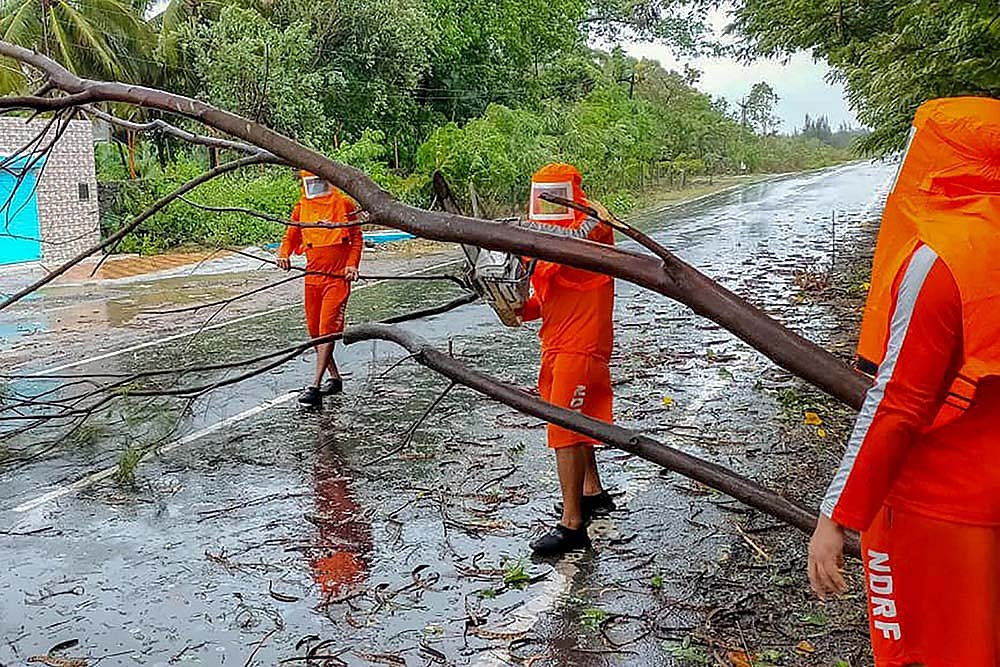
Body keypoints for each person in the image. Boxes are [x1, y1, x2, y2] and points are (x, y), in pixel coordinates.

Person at [808, 97, 1000, 664]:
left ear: (943, 158)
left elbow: (898, 402)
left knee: (915, 652)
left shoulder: (941, 261)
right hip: (987, 498)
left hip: (929, 507)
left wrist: (837, 514)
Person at [517, 162, 617, 557]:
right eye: (542, 198)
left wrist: (591, 213)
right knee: (577, 421)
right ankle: (592, 492)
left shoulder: (591, 230)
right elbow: (548, 296)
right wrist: (518, 309)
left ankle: (572, 525)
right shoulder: (547, 237)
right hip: (556, 343)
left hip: (582, 344)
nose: (548, 207)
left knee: (565, 429)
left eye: (555, 196)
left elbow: (581, 240)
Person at [277, 171, 363, 407]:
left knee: (327, 329)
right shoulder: (301, 208)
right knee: (315, 331)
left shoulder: (344, 204)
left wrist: (352, 265)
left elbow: (356, 237)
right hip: (313, 278)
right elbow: (289, 237)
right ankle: (334, 378)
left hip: (337, 278)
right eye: (310, 182)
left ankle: (314, 386)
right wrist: (283, 255)